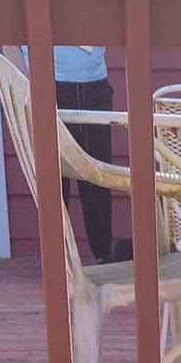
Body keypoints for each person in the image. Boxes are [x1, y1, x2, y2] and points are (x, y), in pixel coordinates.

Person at [50, 44, 127, 263]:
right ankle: (59, 261)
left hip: (95, 86)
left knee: (97, 176)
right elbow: (10, 45)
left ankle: (103, 256)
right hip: (46, 82)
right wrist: (26, 83)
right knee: (53, 180)